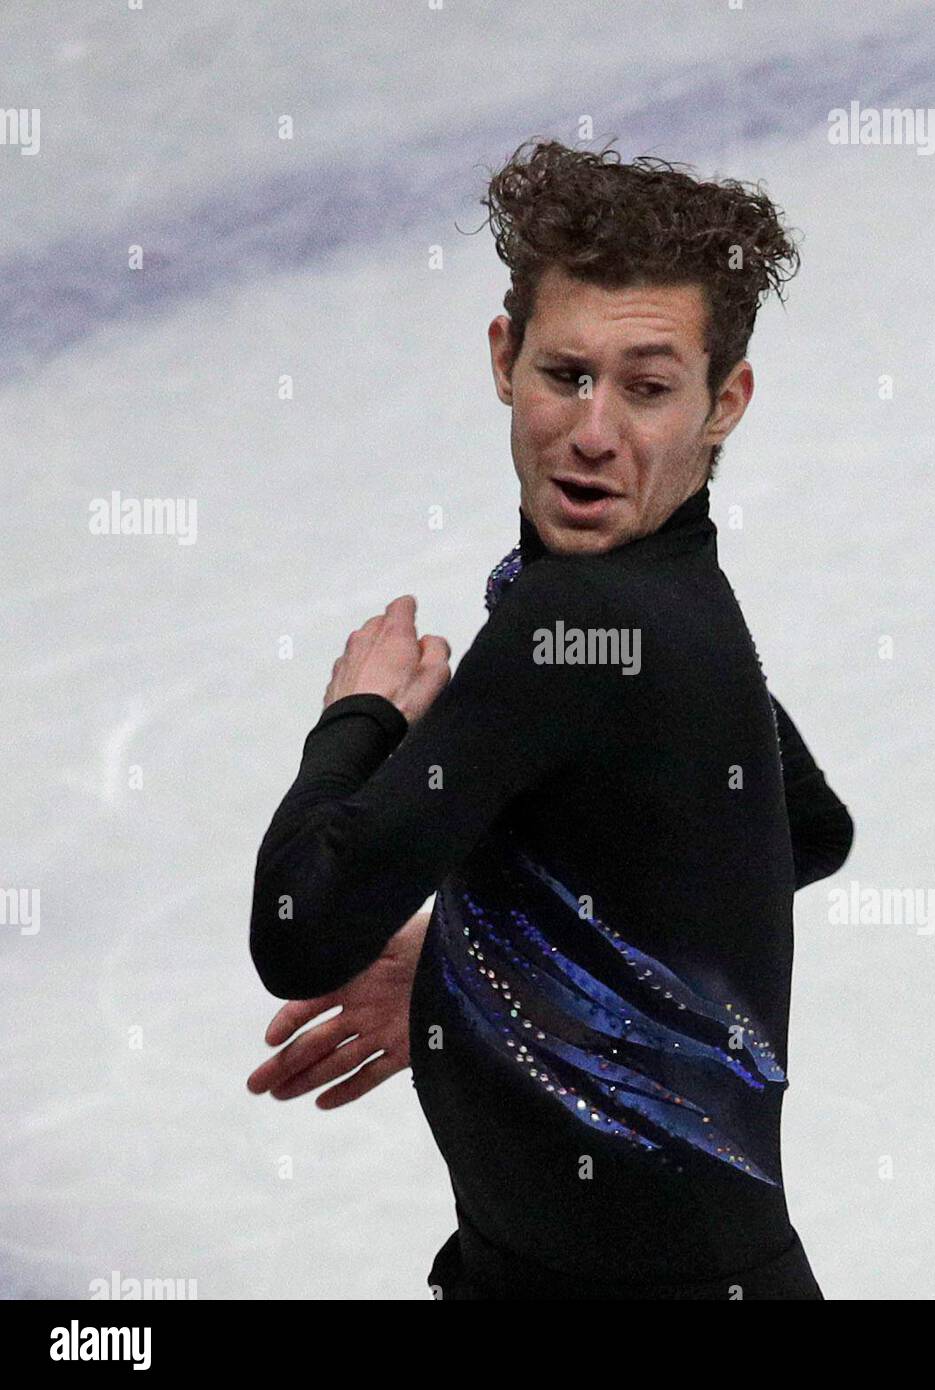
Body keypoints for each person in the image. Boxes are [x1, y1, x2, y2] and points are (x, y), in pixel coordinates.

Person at [247, 139, 854, 1300]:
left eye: (647, 386)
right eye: (564, 373)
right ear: (501, 358)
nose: (591, 430)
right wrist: (499, 952)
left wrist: (359, 716)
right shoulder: (667, 606)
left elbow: (301, 924)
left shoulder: (577, 622)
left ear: (723, 403)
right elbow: (806, 827)